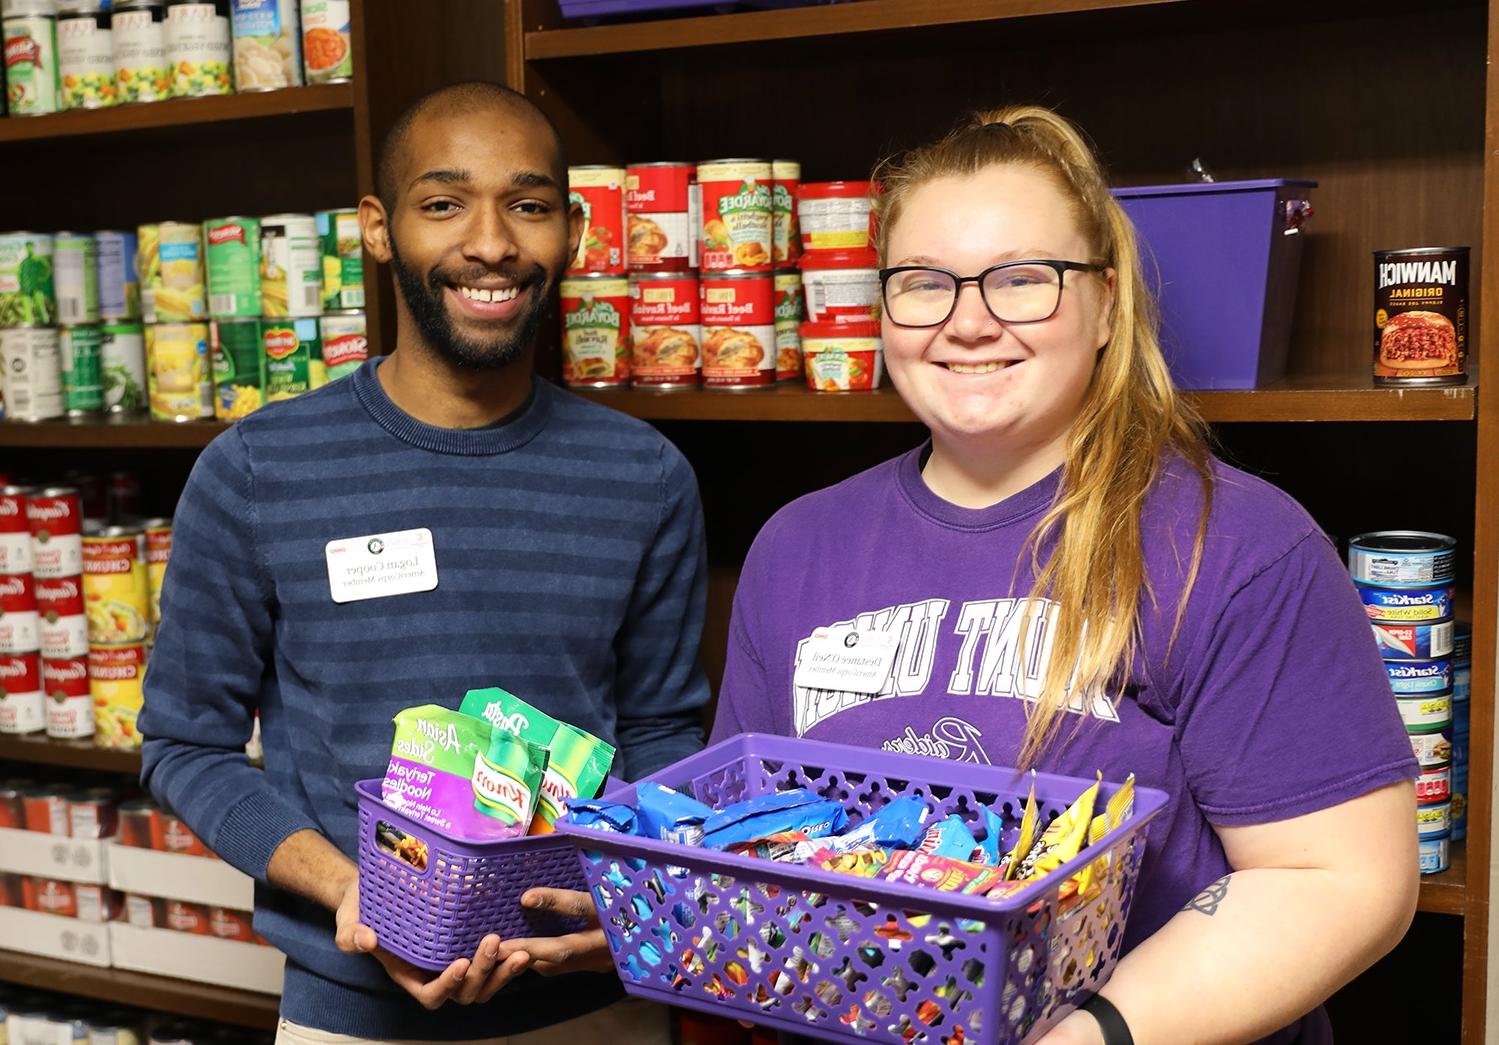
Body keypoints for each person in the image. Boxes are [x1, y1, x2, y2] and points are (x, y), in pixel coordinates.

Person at [706, 107, 1419, 1045]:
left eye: (1020, 280)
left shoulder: (1236, 543)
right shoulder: (797, 545)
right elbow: (746, 846)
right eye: (923, 284)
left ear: (1108, 304)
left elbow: (1338, 879)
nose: (967, 322)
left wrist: (1089, 1035)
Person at [140, 82, 708, 1045]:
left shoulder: (643, 476)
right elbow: (182, 747)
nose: (490, 244)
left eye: (527, 206)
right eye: (443, 203)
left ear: (571, 230)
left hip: (596, 1006)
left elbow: (661, 731)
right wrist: (353, 888)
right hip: (350, 1011)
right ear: (376, 227)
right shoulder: (258, 469)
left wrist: (624, 903)